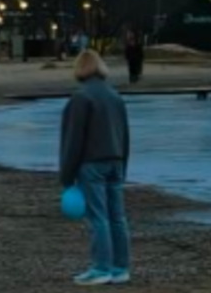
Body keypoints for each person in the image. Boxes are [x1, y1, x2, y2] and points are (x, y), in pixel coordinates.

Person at [60, 50, 131, 286]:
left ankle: (101, 268)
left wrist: (67, 175)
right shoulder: (115, 96)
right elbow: (125, 135)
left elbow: (73, 140)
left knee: (98, 218)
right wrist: (123, 165)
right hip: (116, 161)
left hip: (91, 164)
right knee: (117, 217)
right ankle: (120, 268)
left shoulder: (80, 98)